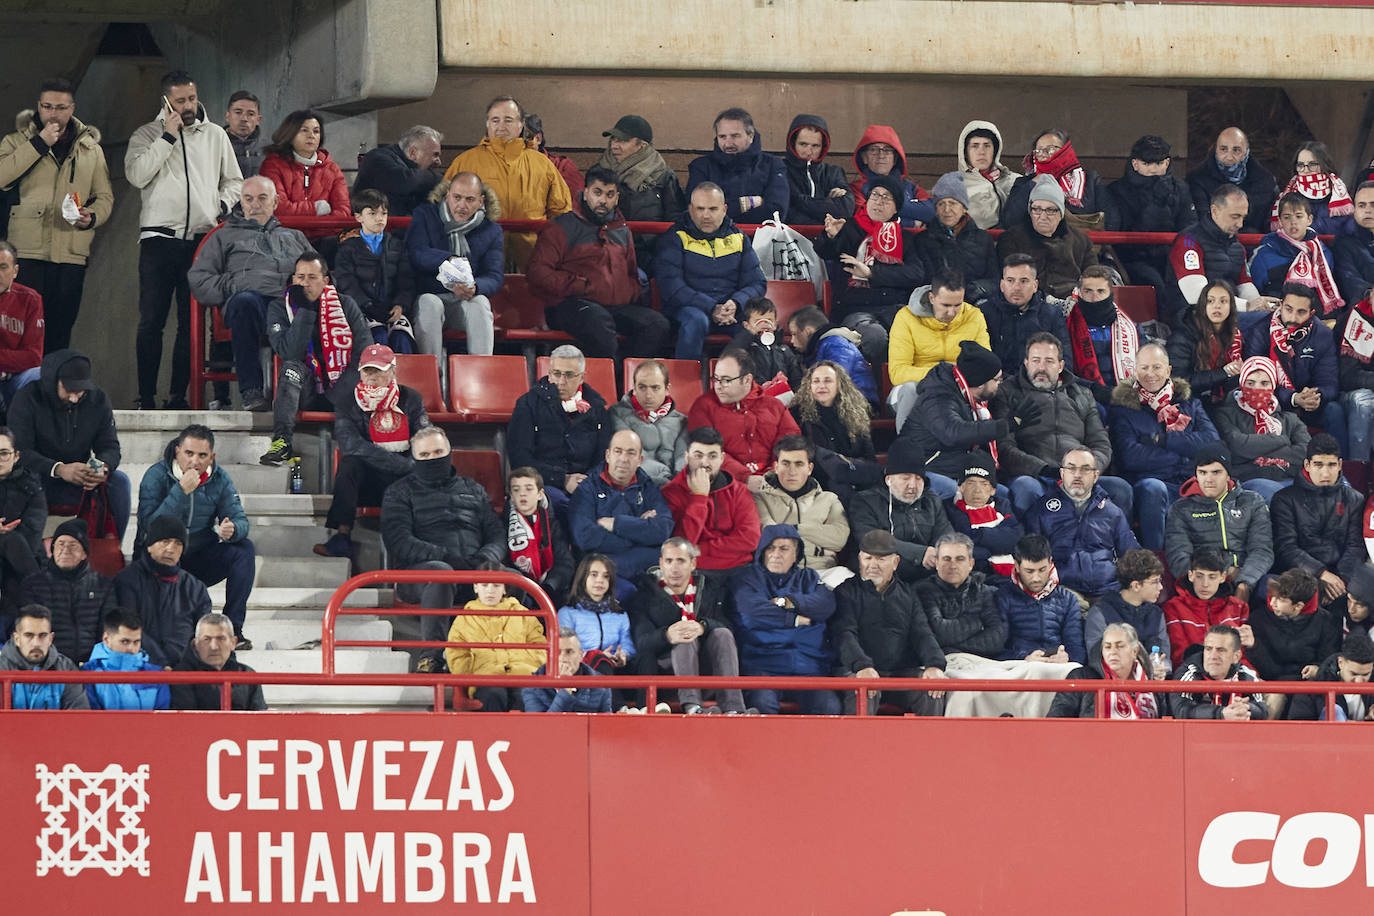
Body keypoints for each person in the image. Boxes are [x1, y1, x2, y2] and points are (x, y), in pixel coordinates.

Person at [125, 70, 242, 409]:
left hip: (200, 241)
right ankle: (146, 397)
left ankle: (179, 396)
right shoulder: (146, 134)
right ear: (166, 102)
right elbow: (137, 175)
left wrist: (219, 205)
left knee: (191, 326)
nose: (188, 106)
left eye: (192, 98)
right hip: (158, 240)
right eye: (180, 101)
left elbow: (234, 181)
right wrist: (167, 137)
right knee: (151, 321)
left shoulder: (215, 134)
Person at [0, 77, 112, 353]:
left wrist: (91, 217)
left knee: (60, 333)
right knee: (20, 333)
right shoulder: (15, 142)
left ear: (72, 109)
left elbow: (105, 197)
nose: (53, 114)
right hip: (28, 252)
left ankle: (53, 381)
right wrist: (39, 144)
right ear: (39, 106)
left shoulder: (90, 149)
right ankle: (24, 382)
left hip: (70, 254)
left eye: (60, 108)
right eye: (47, 106)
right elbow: (2, 177)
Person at [381, 426, 505, 673]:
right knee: (441, 573)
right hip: (420, 575)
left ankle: (506, 651)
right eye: (425, 455)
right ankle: (432, 656)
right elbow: (399, 540)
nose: (432, 459)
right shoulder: (399, 492)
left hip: (474, 570)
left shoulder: (473, 489)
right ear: (414, 458)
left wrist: (485, 559)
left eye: (438, 452)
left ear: (449, 452)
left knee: (514, 579)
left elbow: (497, 534)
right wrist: (446, 557)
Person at [187, 174, 310, 411]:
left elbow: (319, 271)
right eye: (248, 199)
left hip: (287, 302)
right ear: (241, 202)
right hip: (251, 302)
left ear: (275, 202)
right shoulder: (223, 236)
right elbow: (199, 279)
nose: (255, 205)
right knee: (245, 303)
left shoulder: (295, 237)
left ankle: (311, 396)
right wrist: (234, 284)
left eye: (262, 198)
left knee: (314, 306)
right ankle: (251, 391)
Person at [528, 164, 669, 361]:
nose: (603, 200)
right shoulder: (561, 226)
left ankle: (621, 375)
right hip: (569, 304)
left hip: (614, 307)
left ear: (617, 198)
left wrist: (631, 295)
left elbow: (631, 273)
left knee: (656, 325)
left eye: (610, 195)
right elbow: (538, 273)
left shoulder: (622, 230)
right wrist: (578, 285)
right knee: (599, 325)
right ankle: (609, 377)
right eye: (597, 192)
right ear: (585, 193)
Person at [136, 424, 255, 647]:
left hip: (199, 554)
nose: (195, 461)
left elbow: (240, 519)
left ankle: (233, 629)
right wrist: (180, 492)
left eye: (202, 455)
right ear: (177, 452)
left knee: (244, 549)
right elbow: (149, 527)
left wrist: (233, 529)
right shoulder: (156, 475)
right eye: (189, 453)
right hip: (161, 558)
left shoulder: (220, 478)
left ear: (212, 457)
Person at [313, 344, 430, 558]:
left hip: (404, 479)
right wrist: (401, 464)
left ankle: (426, 538)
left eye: (378, 370)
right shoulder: (347, 402)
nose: (372, 376)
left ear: (393, 371)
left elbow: (424, 438)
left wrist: (411, 465)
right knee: (349, 464)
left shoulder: (411, 398)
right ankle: (342, 535)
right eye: (367, 370)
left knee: (429, 462)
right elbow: (351, 445)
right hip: (372, 479)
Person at [258, 251, 370, 466]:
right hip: (304, 389)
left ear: (325, 281)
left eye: (312, 277)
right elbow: (289, 352)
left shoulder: (346, 305)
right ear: (293, 279)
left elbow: (363, 354)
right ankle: (282, 441)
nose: (305, 283)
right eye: (300, 277)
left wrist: (336, 395)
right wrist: (306, 309)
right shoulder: (280, 308)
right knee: (291, 368)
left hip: (344, 392)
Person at [990, 332, 1122, 514]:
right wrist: (1043, 469)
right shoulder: (1007, 392)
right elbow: (1004, 447)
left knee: (1120, 489)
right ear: (1026, 363)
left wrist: (1086, 470)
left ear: (1060, 366)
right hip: (1035, 475)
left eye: (1049, 361)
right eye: (1036, 360)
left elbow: (1101, 444)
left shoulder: (1081, 394)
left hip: (1080, 474)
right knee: (1025, 487)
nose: (1041, 367)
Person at [1108, 341, 1220, 549]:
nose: (1150, 374)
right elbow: (1130, 457)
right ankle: (1154, 558)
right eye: (1144, 368)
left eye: (1156, 367)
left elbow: (1212, 443)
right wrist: (1184, 454)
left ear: (1168, 370)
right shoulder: (1122, 410)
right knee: (1154, 488)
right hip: (1149, 484)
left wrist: (1163, 441)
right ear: (1135, 371)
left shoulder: (1191, 403)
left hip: (1190, 480)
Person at [9, 348, 129, 539]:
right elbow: (20, 452)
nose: (75, 397)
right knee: (16, 483)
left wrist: (101, 468)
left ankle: (110, 548)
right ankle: (22, 549)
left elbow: (110, 446)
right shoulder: (28, 398)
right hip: (37, 477)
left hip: (80, 478)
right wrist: (59, 469)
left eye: (80, 390)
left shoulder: (98, 400)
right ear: (53, 381)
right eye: (69, 389)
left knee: (120, 483)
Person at [441, 95, 571, 268]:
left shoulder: (542, 164)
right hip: (479, 257)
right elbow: (443, 208)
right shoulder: (465, 162)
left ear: (521, 125)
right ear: (487, 124)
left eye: (508, 120)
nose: (501, 126)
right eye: (495, 120)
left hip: (532, 257)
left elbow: (561, 211)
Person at [829, 529, 947, 714]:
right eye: (868, 558)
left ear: (895, 562)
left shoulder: (908, 594)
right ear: (860, 559)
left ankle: (930, 735)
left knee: (931, 689)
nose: (873, 565)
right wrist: (863, 666)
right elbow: (844, 634)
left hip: (898, 673)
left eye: (881, 559)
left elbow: (922, 633)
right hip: (855, 670)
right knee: (863, 689)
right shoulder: (845, 592)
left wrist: (934, 664)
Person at [627, 537, 748, 715]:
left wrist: (703, 626)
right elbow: (642, 643)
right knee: (685, 638)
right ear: (661, 563)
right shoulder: (645, 595)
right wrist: (667, 635)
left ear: (692, 564)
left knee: (722, 633)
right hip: (668, 677)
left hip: (706, 674)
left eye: (681, 561)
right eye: (669, 561)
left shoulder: (710, 589)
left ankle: (733, 708)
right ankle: (692, 707)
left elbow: (727, 626)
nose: (674, 568)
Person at [733, 524, 839, 715]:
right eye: (770, 548)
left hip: (809, 666)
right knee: (761, 705)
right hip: (763, 666)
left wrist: (789, 602)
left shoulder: (809, 577)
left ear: (796, 554)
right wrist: (795, 620)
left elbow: (825, 605)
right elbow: (751, 614)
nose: (776, 554)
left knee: (829, 707)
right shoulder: (747, 578)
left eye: (784, 548)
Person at [654, 182, 767, 360]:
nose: (706, 215)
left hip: (730, 311)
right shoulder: (675, 237)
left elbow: (757, 283)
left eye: (713, 209)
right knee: (695, 321)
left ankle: (742, 375)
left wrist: (736, 303)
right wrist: (711, 307)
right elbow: (671, 286)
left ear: (724, 210)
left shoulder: (739, 238)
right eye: (700, 209)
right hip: (688, 310)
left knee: (753, 326)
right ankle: (687, 376)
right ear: (691, 210)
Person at [814, 172, 925, 342]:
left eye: (886, 197)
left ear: (896, 208)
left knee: (916, 335)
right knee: (875, 337)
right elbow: (826, 252)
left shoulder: (905, 238)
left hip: (893, 307)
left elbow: (915, 274)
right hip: (855, 307)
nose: (879, 201)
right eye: (875, 195)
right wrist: (832, 236)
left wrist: (871, 273)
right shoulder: (849, 227)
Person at [406, 173, 503, 366]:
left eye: (470, 199)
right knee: (429, 303)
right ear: (447, 195)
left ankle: (480, 372)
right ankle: (432, 372)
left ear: (481, 201)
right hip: (431, 294)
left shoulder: (491, 230)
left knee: (481, 303)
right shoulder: (425, 215)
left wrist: (474, 287)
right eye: (457, 197)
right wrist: (448, 260)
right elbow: (416, 252)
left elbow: (494, 276)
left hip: (465, 299)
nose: (462, 205)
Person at [506, 344, 612, 515]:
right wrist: (563, 479)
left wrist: (586, 482)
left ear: (582, 377)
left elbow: (604, 455)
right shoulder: (528, 404)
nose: (561, 381)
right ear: (549, 374)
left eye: (569, 375)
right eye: (556, 374)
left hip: (587, 483)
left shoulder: (597, 408)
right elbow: (520, 458)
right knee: (563, 505)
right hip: (544, 484)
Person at [1024, 447, 1140, 600]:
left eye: (1085, 469)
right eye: (1071, 468)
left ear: (1095, 476)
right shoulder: (1041, 510)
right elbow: (1030, 559)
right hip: (1060, 593)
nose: (1077, 475)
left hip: (1107, 592)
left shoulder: (1112, 512)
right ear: (1062, 473)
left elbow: (1132, 556)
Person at [1165, 443, 1274, 602]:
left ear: (1228, 474)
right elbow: (1178, 555)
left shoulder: (1252, 501)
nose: (1208, 479)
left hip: (1247, 576)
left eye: (1216, 472)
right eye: (1202, 473)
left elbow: (1262, 549)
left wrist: (1245, 582)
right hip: (1204, 582)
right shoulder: (1181, 508)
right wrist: (1215, 578)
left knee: (1280, 591)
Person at [568, 429, 674, 594]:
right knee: (628, 593)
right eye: (618, 451)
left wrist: (616, 524)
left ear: (640, 460)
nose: (624, 459)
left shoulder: (648, 487)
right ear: (608, 455)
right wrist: (640, 531)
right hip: (603, 571)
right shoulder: (587, 488)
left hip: (642, 568)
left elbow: (663, 530)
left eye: (631, 453)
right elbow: (585, 537)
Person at [901, 339, 1012, 492]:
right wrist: (1003, 426)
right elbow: (953, 432)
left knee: (1003, 493)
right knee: (954, 491)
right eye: (997, 379)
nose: (1000, 383)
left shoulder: (972, 399)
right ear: (980, 382)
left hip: (958, 471)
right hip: (924, 470)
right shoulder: (938, 397)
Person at [887, 270, 991, 431]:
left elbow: (985, 365)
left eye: (958, 305)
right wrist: (944, 374)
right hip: (917, 387)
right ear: (931, 298)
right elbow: (898, 373)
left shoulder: (974, 316)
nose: (952, 312)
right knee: (909, 390)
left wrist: (954, 379)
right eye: (946, 305)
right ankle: (908, 444)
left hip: (959, 387)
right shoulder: (905, 317)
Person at [1241, 282, 1341, 446]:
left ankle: (1340, 460)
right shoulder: (1260, 331)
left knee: (1334, 411)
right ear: (1280, 305)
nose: (1293, 318)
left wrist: (1316, 396)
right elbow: (1253, 382)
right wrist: (1293, 398)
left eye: (1301, 312)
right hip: (1273, 403)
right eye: (1289, 309)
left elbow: (1329, 382)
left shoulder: (1322, 334)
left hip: (1309, 405)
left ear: (1311, 313)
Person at [1271, 435, 1365, 607]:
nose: (1325, 473)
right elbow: (1286, 548)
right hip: (1299, 576)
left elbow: (1355, 546)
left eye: (1331, 465)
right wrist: (1321, 574)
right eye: (1318, 465)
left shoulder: (1354, 499)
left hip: (1342, 579)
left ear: (1340, 464)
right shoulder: (1284, 499)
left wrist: (1340, 581)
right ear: (1307, 465)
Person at [687, 348, 801, 488]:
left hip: (775, 481)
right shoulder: (703, 408)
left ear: (747, 380)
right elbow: (706, 451)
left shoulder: (774, 406)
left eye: (726, 380)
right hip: (726, 483)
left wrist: (774, 473)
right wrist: (745, 477)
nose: (718, 386)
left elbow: (790, 441)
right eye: (716, 379)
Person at [848, 438, 953, 584]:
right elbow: (871, 540)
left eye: (918, 479)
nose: (912, 485)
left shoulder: (932, 501)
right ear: (888, 480)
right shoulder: (865, 502)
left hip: (929, 578)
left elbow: (946, 537)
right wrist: (920, 553)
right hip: (885, 580)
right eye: (905, 478)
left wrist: (940, 555)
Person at [113, 515, 212, 669]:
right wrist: (160, 665)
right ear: (149, 546)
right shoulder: (127, 580)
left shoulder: (195, 588)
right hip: (139, 666)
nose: (171, 549)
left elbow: (205, 634)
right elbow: (127, 628)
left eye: (178, 543)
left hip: (184, 670)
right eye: (165, 541)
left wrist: (184, 667)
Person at [445, 561, 546, 712]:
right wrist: (472, 674)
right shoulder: (464, 619)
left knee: (524, 697)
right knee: (494, 695)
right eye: (485, 585)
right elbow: (456, 654)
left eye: (496, 586)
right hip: (485, 678)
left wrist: (526, 665)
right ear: (476, 587)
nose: (490, 591)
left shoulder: (523, 613)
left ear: (505, 589)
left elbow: (540, 646)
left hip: (523, 674)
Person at [1164, 184, 1268, 328]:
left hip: (1229, 313)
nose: (1240, 224)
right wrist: (1247, 306)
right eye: (1235, 216)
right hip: (1190, 317)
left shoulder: (1237, 247)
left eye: (1243, 217)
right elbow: (1195, 295)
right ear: (1215, 211)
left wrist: (1260, 305)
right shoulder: (1188, 242)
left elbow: (1245, 285)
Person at [661, 426, 761, 574]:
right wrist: (699, 497)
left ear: (722, 458)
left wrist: (702, 549)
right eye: (698, 455)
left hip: (740, 570)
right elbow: (680, 546)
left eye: (712, 456)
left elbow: (750, 539)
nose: (705, 463)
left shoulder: (739, 491)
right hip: (694, 572)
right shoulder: (670, 492)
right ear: (687, 457)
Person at [752, 436, 849, 587]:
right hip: (778, 574)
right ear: (776, 467)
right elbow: (770, 536)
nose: (792, 472)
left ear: (809, 468)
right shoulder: (759, 498)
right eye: (786, 464)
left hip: (823, 572)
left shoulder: (829, 499)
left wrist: (794, 529)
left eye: (799, 464)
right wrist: (820, 551)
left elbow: (839, 539)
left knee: (848, 580)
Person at [1103, 135, 1195, 293]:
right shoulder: (1117, 191)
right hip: (1133, 259)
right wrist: (1156, 205)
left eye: (1158, 163)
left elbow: (1189, 226)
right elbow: (1119, 233)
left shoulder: (1181, 189)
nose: (1153, 169)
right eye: (1146, 164)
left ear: (1167, 163)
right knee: (1155, 284)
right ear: (1135, 164)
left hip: (1174, 257)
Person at [1212, 355, 1310, 502]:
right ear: (1241, 384)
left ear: (1273, 386)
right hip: (1250, 481)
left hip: (1289, 478)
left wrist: (1256, 449)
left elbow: (1305, 453)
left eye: (1264, 383)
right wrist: (1281, 440)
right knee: (1277, 494)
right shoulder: (1225, 415)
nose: (1257, 388)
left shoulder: (1290, 419)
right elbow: (1238, 446)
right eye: (1250, 383)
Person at [592, 115, 684, 269]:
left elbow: (675, 219)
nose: (614, 145)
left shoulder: (662, 176)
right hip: (606, 250)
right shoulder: (598, 173)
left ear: (642, 146)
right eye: (613, 139)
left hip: (651, 252)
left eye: (622, 141)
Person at [1247, 567, 1339, 718]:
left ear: (1298, 606)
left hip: (1307, 687)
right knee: (1275, 697)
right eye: (1272, 596)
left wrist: (1318, 669)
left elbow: (1329, 659)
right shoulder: (1258, 619)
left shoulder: (1327, 622)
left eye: (1281, 600)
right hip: (1270, 683)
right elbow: (1266, 670)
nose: (1272, 602)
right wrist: (1254, 646)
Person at [19, 518, 113, 664]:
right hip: (47, 665)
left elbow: (108, 631)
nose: (65, 550)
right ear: (52, 550)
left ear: (84, 553)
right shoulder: (33, 584)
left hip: (91, 666)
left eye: (73, 545)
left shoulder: (102, 585)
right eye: (60, 544)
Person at [334, 188, 416, 354]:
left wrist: (400, 305)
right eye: (372, 213)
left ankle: (405, 373)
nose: (379, 218)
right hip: (362, 310)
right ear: (358, 217)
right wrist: (367, 305)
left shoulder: (397, 245)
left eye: (383, 213)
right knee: (377, 337)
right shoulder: (347, 249)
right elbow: (347, 283)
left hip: (392, 310)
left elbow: (406, 280)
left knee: (402, 337)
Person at [789, 360, 881, 501]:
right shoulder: (796, 414)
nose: (821, 386)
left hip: (854, 479)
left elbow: (869, 457)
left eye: (828, 381)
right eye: (816, 381)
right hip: (818, 484)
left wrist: (851, 470)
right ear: (809, 385)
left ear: (839, 384)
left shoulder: (855, 413)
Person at [996, 178, 1098, 299]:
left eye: (1050, 210)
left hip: (1073, 300)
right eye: (1037, 209)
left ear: (1061, 214)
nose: (1043, 216)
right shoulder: (1011, 239)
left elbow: (1093, 280)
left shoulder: (1081, 241)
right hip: (1030, 302)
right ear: (1030, 211)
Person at [913, 532, 1007, 660]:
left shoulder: (982, 591)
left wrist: (954, 647)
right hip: (941, 662)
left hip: (982, 662)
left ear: (971, 564)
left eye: (960, 559)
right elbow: (940, 635)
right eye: (946, 559)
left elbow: (996, 639)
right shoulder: (922, 591)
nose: (953, 565)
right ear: (936, 563)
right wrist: (978, 623)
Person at [687, 107, 788, 224]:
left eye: (735, 136)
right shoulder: (701, 167)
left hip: (760, 235)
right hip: (715, 236)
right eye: (722, 137)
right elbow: (697, 212)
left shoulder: (773, 165)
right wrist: (746, 203)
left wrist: (722, 211)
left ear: (751, 136)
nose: (728, 143)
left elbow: (777, 212)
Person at [995, 534, 1085, 664]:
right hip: (1019, 667)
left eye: (1042, 570)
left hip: (1058, 667)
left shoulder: (1068, 600)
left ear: (1050, 563)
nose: (1036, 578)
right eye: (1029, 571)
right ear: (1017, 566)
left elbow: (1077, 650)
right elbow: (996, 650)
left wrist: (1067, 657)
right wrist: (1024, 658)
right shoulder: (1002, 597)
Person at [912, 172, 998, 303]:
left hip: (975, 302)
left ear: (964, 208)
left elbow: (994, 278)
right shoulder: (923, 240)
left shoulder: (983, 239)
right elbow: (921, 279)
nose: (947, 210)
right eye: (941, 204)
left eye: (952, 203)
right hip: (937, 303)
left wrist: (978, 289)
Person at [977, 254, 1073, 372]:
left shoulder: (1052, 315)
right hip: (999, 380)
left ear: (1035, 286)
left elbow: (1065, 361)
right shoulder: (983, 314)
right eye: (1010, 280)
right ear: (1002, 285)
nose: (1016, 287)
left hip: (1040, 379)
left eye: (1024, 281)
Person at [1048, 621, 1161, 718]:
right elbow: (1056, 720)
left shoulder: (1151, 681)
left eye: (1120, 646)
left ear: (1134, 651)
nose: (1112, 652)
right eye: (1107, 647)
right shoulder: (1081, 677)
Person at [1066, 265, 1143, 406]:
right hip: (1084, 398)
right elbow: (1065, 371)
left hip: (1128, 397)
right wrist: (1095, 390)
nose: (1094, 298)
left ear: (1110, 293)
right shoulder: (1067, 326)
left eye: (1101, 291)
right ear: (1080, 293)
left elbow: (1147, 364)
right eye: (1088, 291)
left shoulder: (1131, 327)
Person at [1163, 546, 1251, 669]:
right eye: (1199, 576)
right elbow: (1179, 656)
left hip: (1235, 674)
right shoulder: (1173, 608)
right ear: (1190, 575)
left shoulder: (1239, 607)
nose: (1205, 584)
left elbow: (1244, 656)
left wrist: (1253, 646)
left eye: (1212, 577)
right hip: (1192, 673)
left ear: (1222, 577)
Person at [1250, 192, 1343, 307]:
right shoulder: (1265, 253)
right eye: (1287, 217)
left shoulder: (1322, 253)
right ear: (1280, 221)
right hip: (1276, 311)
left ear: (1309, 219)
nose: (1293, 222)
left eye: (1299, 216)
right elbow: (1256, 291)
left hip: (1314, 312)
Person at [1186, 126, 1279, 235]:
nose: (1229, 157)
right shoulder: (1197, 180)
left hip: (1256, 242)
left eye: (1236, 150)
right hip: (1212, 240)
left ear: (1246, 152)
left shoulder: (1266, 182)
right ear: (1216, 150)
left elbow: (1271, 224)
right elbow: (1199, 221)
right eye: (1223, 149)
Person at [1166, 277, 1244, 406]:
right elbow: (1179, 382)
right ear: (1203, 306)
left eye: (1223, 301)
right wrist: (1224, 373)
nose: (1217, 306)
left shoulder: (1234, 335)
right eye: (1210, 301)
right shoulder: (1183, 336)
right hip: (1188, 402)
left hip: (1221, 399)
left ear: (1231, 306)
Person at [258, 109, 349, 217]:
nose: (311, 135)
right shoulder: (272, 165)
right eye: (304, 130)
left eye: (316, 131)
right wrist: (316, 209)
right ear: (290, 134)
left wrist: (319, 223)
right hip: (283, 228)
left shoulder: (332, 169)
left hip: (324, 228)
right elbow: (278, 208)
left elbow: (343, 212)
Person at [1004, 127, 1107, 224]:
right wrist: (1033, 184)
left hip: (1079, 236)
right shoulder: (1024, 183)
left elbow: (1110, 219)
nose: (1043, 154)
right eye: (1039, 150)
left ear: (1065, 151)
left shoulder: (1089, 180)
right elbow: (1009, 220)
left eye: (1050, 149)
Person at [608, 359, 686, 486]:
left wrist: (678, 486)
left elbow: (683, 460)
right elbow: (629, 457)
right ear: (634, 389)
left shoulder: (682, 422)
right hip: (633, 485)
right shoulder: (617, 413)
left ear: (667, 389)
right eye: (642, 387)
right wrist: (664, 478)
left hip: (673, 488)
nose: (648, 395)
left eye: (655, 388)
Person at [558, 554, 635, 679]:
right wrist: (597, 655)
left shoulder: (620, 614)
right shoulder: (567, 613)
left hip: (614, 667)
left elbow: (627, 644)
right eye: (594, 575)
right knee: (601, 661)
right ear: (583, 578)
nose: (600, 580)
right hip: (580, 668)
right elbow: (564, 649)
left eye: (606, 576)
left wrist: (622, 655)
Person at [504, 467, 574, 605]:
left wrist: (549, 586)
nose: (522, 494)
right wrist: (527, 587)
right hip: (517, 594)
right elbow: (503, 563)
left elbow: (565, 563)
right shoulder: (503, 524)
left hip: (551, 592)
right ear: (511, 496)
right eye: (516, 490)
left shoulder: (553, 525)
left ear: (540, 494)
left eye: (528, 489)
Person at [944, 451, 1021, 576]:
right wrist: (993, 548)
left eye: (984, 484)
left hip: (1010, 575)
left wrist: (979, 535)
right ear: (960, 487)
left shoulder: (1003, 506)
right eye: (971, 483)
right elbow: (959, 549)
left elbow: (1016, 539)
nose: (977, 491)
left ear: (993, 490)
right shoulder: (949, 509)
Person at [170, 612, 266, 710]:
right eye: (206, 639)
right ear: (196, 644)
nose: (214, 647)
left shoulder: (247, 674)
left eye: (221, 639)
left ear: (233, 643)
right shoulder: (181, 675)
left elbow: (260, 715)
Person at [0, 603, 88, 709]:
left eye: (42, 635)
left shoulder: (66, 668)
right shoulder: (2, 667)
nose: (36, 643)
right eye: (29, 635)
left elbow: (78, 714)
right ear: (17, 639)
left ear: (50, 639)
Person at [1085, 549, 1168, 659]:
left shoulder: (1156, 614)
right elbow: (1097, 659)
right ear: (1136, 586)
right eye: (1155, 582)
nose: (1160, 587)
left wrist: (1161, 666)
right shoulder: (1100, 613)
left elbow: (1165, 657)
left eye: (1160, 581)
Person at [1170, 625, 1266, 720]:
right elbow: (1181, 710)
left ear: (1236, 656)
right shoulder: (1190, 672)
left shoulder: (1246, 674)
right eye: (1208, 649)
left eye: (1221, 650)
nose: (1213, 656)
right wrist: (1221, 713)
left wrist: (1245, 708)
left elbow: (1262, 711)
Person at [81, 609, 169, 711]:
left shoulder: (157, 674)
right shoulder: (87, 673)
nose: (132, 649)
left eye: (136, 642)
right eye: (125, 641)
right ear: (106, 639)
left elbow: (161, 716)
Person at [787, 307, 878, 404]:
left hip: (858, 405)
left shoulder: (835, 344)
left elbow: (835, 382)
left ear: (807, 331)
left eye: (794, 334)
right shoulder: (821, 346)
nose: (792, 341)